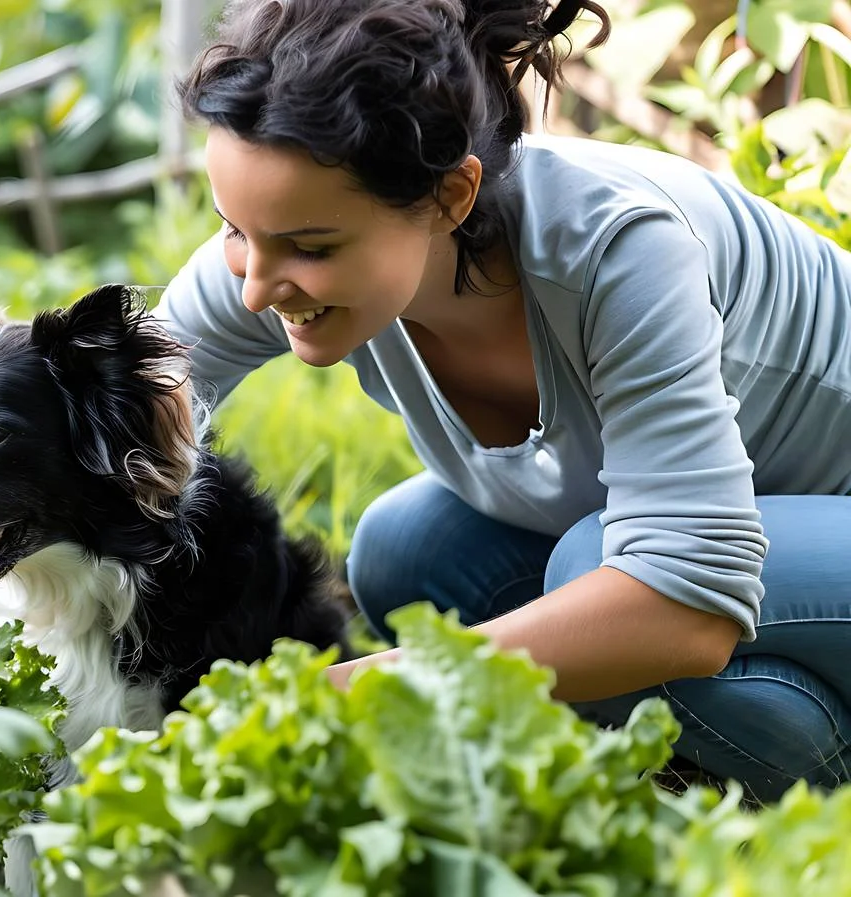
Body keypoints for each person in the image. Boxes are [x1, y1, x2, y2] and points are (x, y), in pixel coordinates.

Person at [153, 0, 851, 801]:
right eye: (233, 229)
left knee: (604, 574)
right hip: (756, 531)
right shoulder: (287, 237)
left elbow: (686, 604)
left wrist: (351, 695)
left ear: (452, 196)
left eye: (310, 248)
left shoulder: (619, 253)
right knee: (404, 549)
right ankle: (699, 751)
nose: (252, 287)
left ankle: (813, 785)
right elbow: (112, 393)